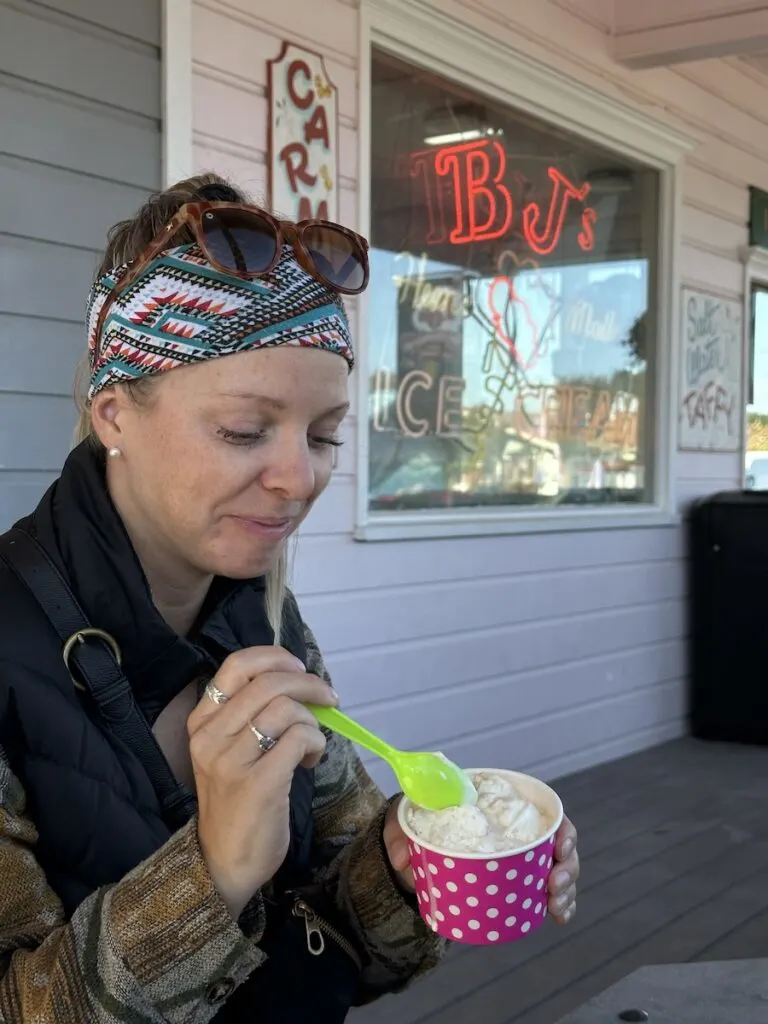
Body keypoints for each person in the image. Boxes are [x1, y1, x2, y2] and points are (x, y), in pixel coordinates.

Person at [0, 173, 579, 1023]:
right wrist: (213, 872)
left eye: (324, 434)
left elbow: (337, 928)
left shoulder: (264, 615)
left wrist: (405, 865)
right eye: (244, 430)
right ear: (115, 412)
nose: (300, 477)